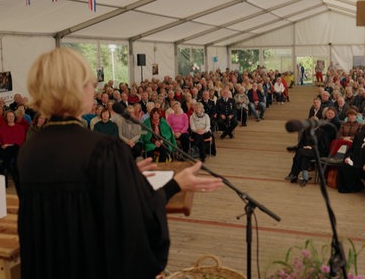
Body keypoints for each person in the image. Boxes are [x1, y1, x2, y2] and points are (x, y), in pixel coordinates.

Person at [17, 47, 223, 279]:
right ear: (76, 89)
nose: (93, 89)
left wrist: (121, 173)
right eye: (89, 83)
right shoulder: (103, 150)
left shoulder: (29, 152)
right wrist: (175, 184)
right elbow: (134, 217)